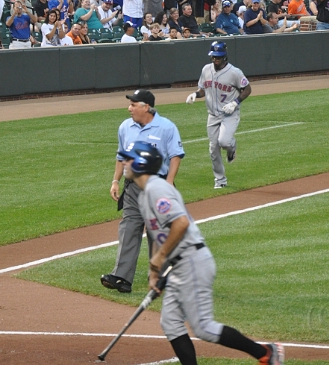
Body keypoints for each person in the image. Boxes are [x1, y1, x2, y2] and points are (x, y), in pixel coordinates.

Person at [115, 141, 284, 365]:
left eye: (129, 158)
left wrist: (158, 259)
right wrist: (154, 272)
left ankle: (266, 353)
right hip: (179, 264)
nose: (124, 163)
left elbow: (181, 223)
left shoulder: (158, 189)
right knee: (171, 323)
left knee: (204, 328)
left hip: (192, 261)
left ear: (141, 163)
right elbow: (158, 234)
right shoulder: (145, 196)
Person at [100, 90, 185, 295]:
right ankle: (121, 277)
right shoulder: (125, 127)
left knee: (157, 233)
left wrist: (170, 181)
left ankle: (159, 277)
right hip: (132, 188)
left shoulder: (166, 127)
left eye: (133, 104)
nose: (129, 108)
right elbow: (121, 157)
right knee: (129, 228)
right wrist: (115, 181)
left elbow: (175, 155)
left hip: (157, 186)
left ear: (146, 107)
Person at [185, 42, 251, 189]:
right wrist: (195, 94)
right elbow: (203, 89)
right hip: (212, 115)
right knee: (213, 149)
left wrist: (235, 102)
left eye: (218, 57)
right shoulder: (206, 70)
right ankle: (220, 180)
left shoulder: (234, 72)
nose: (215, 60)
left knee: (225, 142)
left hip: (229, 114)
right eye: (213, 57)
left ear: (224, 57)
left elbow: (247, 89)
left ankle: (232, 147)